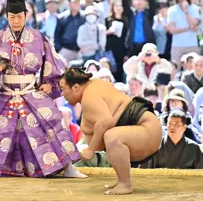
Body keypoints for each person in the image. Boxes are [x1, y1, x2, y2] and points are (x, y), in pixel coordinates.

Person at [0, 0, 85, 178]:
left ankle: (67, 167)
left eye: (19, 16)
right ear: (6, 17)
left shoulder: (38, 38)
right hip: (3, 92)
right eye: (12, 17)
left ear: (26, 15)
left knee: (52, 119)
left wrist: (48, 84)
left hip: (30, 91)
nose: (16, 21)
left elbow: (53, 66)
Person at [60, 66, 162, 195]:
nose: (62, 94)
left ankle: (125, 183)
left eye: (63, 89)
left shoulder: (89, 96)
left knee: (112, 137)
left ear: (75, 87)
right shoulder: (93, 86)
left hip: (147, 129)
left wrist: (91, 149)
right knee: (110, 136)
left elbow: (105, 121)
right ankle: (121, 180)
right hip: (142, 128)